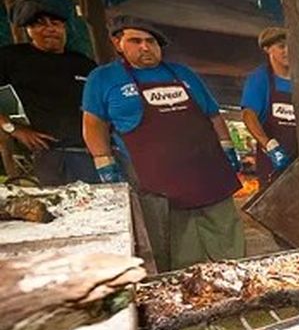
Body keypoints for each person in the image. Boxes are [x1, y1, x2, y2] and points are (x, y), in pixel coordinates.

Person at [82, 16, 244, 271]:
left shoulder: (182, 73)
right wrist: (104, 162)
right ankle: (190, 290)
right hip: (157, 180)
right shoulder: (104, 78)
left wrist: (227, 146)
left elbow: (213, 114)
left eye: (151, 41)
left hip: (207, 170)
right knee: (175, 244)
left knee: (226, 231)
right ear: (118, 42)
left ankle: (238, 278)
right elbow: (94, 124)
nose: (145, 47)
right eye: (136, 40)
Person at [0, 0, 97, 185]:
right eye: (39, 25)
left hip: (90, 154)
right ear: (28, 30)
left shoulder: (83, 63)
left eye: (55, 23)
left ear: (63, 28)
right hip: (47, 156)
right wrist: (13, 129)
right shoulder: (11, 58)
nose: (50, 29)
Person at [239, 26, 294, 190]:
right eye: (281, 46)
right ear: (267, 49)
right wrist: (269, 145)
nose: (287, 51)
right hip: (274, 162)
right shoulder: (260, 78)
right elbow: (249, 114)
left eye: (291, 45)